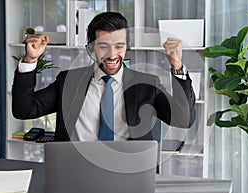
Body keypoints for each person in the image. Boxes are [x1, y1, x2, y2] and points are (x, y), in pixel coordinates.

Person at [12, 12, 196, 142]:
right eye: (103, 46)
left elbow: (183, 119)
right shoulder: (69, 81)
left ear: (127, 47)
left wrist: (177, 66)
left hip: (129, 171)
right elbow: (24, 110)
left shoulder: (147, 84)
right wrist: (30, 59)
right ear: (91, 48)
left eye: (119, 46)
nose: (112, 54)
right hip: (75, 169)